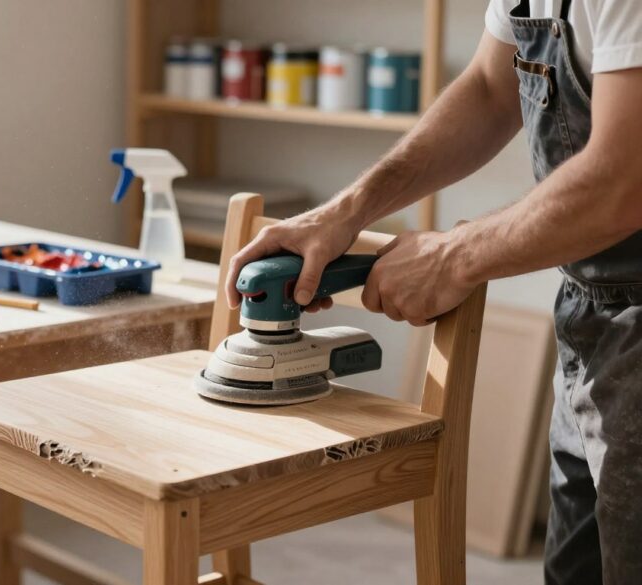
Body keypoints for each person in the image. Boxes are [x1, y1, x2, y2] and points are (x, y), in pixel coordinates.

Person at [225, 1, 642, 583]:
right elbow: (489, 91)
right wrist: (345, 212)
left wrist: (454, 256)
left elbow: (624, 179)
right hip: (589, 316)